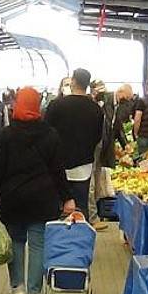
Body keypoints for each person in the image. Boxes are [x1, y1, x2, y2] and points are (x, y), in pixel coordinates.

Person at [0, 87, 72, 294]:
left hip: (13, 197)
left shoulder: (7, 135)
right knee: (38, 244)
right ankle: (35, 291)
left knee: (15, 242)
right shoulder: (51, 135)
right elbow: (58, 170)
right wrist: (67, 197)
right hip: (42, 198)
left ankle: (17, 287)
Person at [45, 68, 103, 220]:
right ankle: (80, 239)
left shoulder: (56, 105)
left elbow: (46, 133)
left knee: (58, 207)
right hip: (84, 165)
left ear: (73, 81)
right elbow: (98, 137)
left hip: (58, 165)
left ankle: (57, 239)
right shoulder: (96, 109)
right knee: (81, 206)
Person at [88, 79, 115, 231]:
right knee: (91, 182)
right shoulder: (89, 106)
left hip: (101, 148)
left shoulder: (106, 105)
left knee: (96, 182)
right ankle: (92, 217)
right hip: (91, 148)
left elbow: (110, 125)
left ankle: (94, 213)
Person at [114, 84, 135, 149]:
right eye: (126, 97)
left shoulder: (117, 106)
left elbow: (118, 126)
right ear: (120, 92)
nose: (126, 101)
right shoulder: (107, 102)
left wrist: (125, 145)